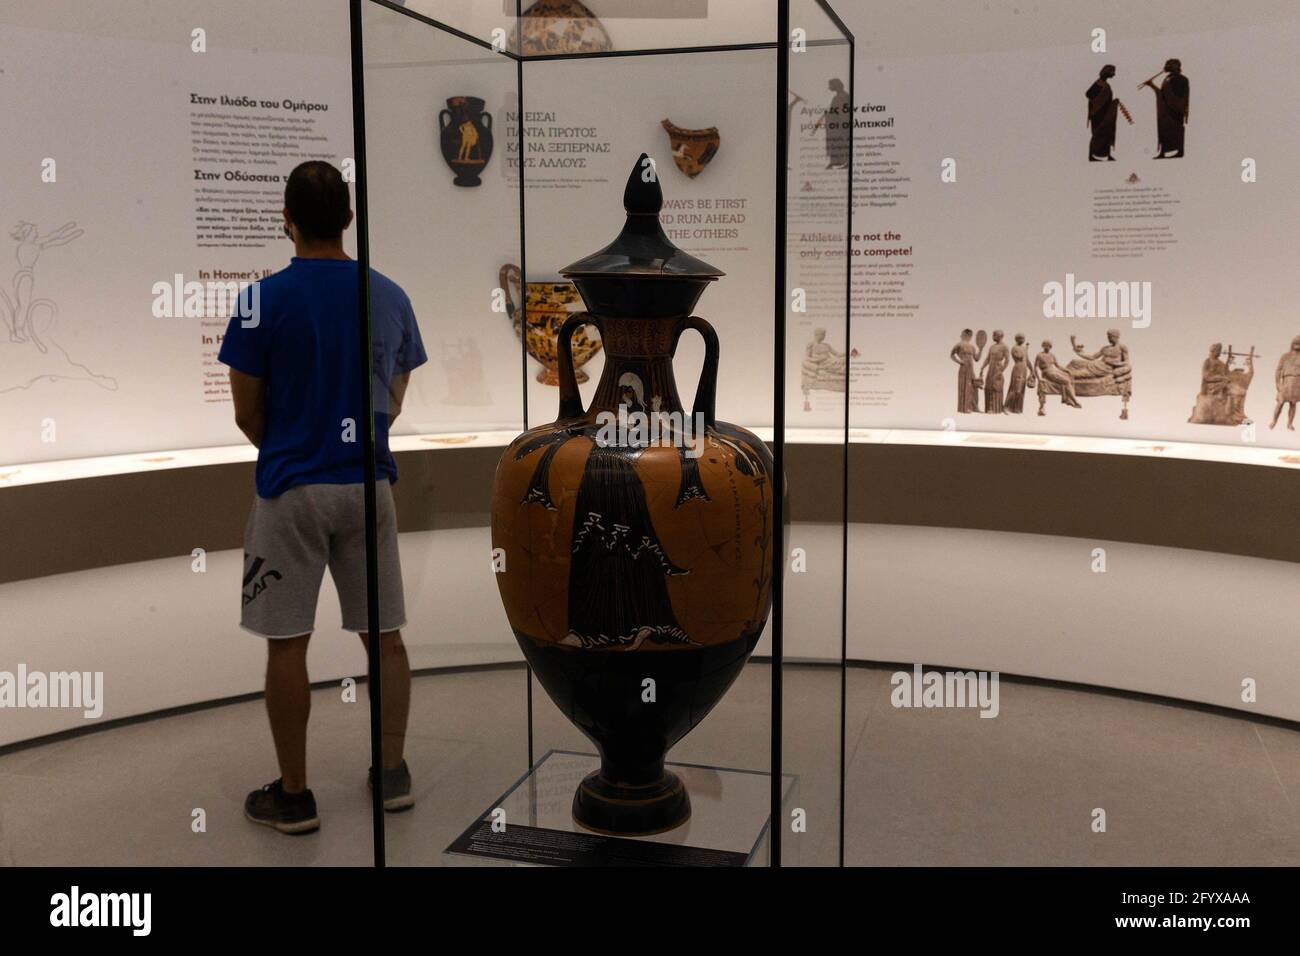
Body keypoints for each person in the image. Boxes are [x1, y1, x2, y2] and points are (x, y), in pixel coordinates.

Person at [219, 161, 426, 835]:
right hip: (368, 484)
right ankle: (391, 772)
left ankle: (296, 794)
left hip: (291, 486)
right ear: (348, 218)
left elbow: (247, 413)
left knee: (287, 644)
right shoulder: (390, 294)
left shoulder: (259, 301)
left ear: (286, 218)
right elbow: (392, 398)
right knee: (385, 637)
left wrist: (289, 444)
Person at [1143, 58, 1189, 158]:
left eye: (1168, 65)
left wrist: (1176, 106)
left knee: (1176, 130)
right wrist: (1152, 85)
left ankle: (1179, 152)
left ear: (1175, 66)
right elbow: (1163, 95)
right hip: (1166, 110)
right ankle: (1163, 152)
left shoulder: (1181, 79)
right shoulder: (1168, 78)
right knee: (1164, 130)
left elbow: (1179, 97)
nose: (1165, 67)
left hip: (1175, 110)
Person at [1086, 65, 1119, 161]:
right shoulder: (1099, 83)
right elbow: (1088, 94)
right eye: (1112, 72)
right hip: (1097, 114)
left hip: (1105, 113)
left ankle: (1108, 155)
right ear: (1107, 72)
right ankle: (1091, 156)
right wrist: (1098, 104)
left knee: (1106, 133)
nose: (1114, 74)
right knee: (1096, 135)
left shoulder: (1105, 84)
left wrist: (1113, 102)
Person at [950, 328, 983, 413]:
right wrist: (959, 361)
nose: (962, 336)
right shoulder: (959, 345)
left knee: (974, 387)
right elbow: (952, 355)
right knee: (964, 386)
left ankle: (974, 407)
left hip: (971, 368)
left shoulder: (972, 347)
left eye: (963, 334)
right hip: (964, 368)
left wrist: (981, 349)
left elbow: (977, 358)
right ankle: (965, 408)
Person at [1271, 336, 1300, 430]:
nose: (1297, 345)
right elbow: (1278, 370)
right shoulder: (1285, 356)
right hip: (1286, 382)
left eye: (1299, 344)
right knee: (1280, 403)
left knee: (1293, 403)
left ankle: (1289, 424)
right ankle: (1274, 421)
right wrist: (1278, 384)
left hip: (1297, 383)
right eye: (1296, 343)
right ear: (1292, 344)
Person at [1005, 333, 1036, 414]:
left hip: (1024, 369)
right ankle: (1006, 406)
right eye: (1021, 338)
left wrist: (1032, 370)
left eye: (1023, 338)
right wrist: (1026, 349)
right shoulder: (1014, 348)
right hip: (1018, 368)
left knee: (1021, 390)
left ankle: (1017, 408)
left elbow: (1027, 360)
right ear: (1017, 339)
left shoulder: (1023, 349)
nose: (1022, 340)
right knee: (1015, 389)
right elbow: (1020, 356)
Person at [981, 330, 1009, 414]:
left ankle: (996, 408)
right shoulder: (992, 347)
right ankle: (989, 408)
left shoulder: (1004, 347)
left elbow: (1007, 360)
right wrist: (982, 367)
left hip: (998, 368)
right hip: (991, 368)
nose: (993, 337)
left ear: (999, 336)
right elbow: (987, 359)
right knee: (988, 387)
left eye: (994, 335)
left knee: (996, 387)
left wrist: (1001, 371)